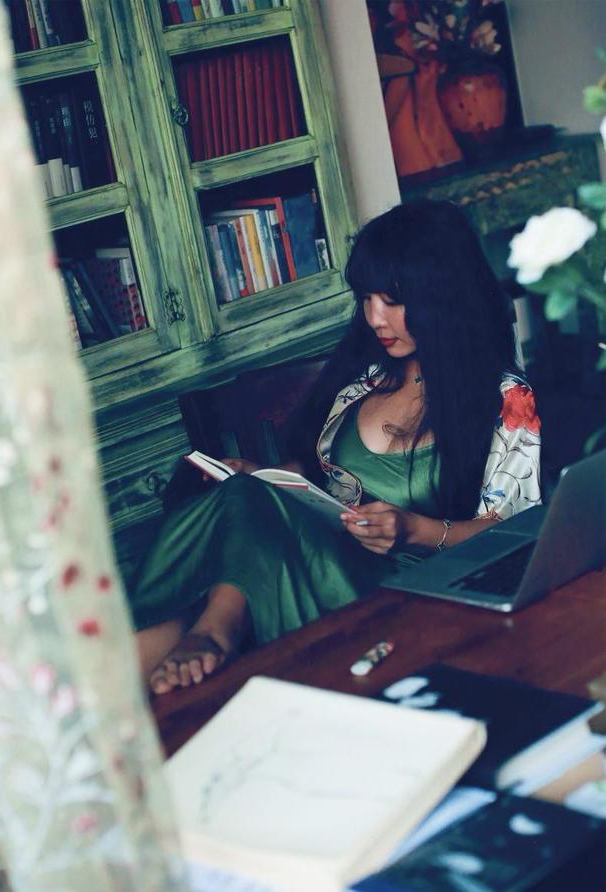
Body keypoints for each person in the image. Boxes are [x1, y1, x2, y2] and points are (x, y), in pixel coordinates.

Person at [131, 199, 541, 694]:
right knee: (241, 494)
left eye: (392, 300)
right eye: (366, 297)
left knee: (199, 581)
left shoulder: (506, 399)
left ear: (442, 295)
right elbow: (319, 478)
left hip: (400, 592)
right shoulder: (365, 379)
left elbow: (516, 532)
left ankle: (208, 634)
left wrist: (415, 529)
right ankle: (188, 649)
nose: (374, 317)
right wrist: (265, 477)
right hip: (315, 557)